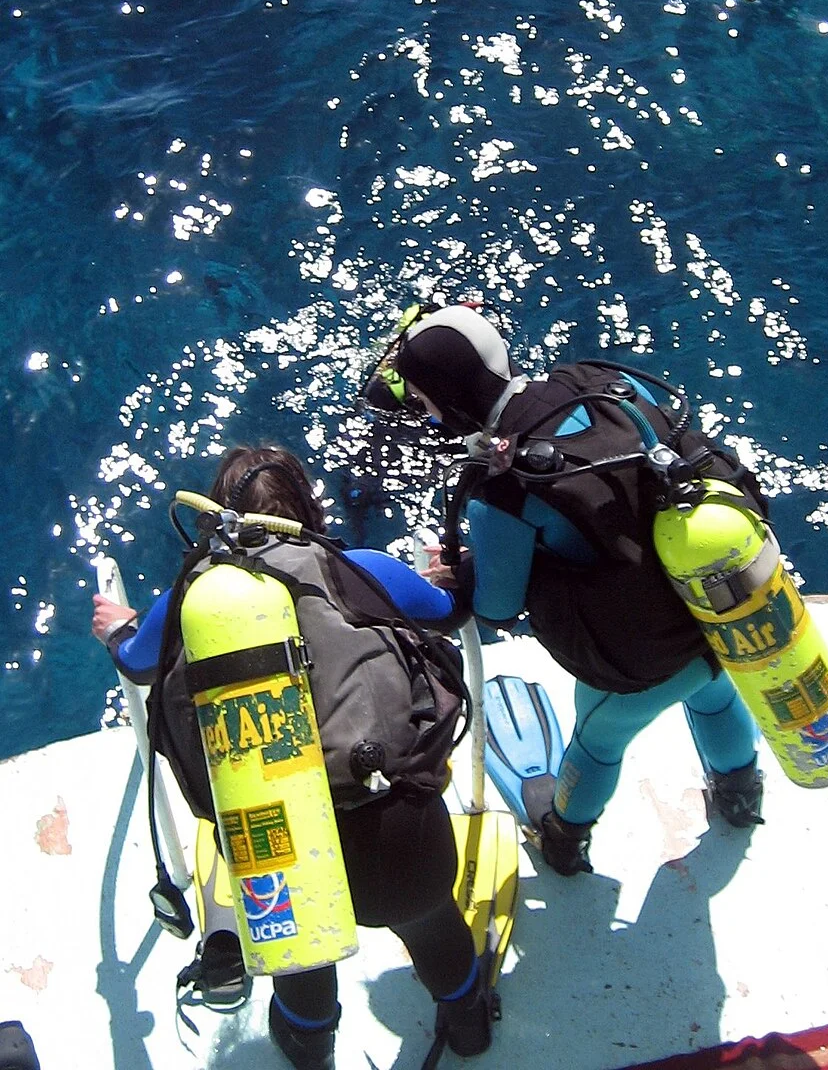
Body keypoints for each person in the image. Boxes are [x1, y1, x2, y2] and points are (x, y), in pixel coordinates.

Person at [92, 445, 495, 1070]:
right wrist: (448, 576)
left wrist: (119, 626)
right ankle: (468, 1025)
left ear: (215, 518)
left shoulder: (191, 598)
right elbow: (448, 613)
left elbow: (138, 662)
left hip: (270, 829)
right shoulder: (357, 568)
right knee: (432, 925)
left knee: (300, 961)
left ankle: (309, 1045)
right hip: (389, 814)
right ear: (305, 507)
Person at [364, 304, 768, 878]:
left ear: (451, 405)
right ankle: (740, 792)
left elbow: (499, 607)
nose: (425, 415)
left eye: (427, 404)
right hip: (714, 606)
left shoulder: (502, 491)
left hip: (642, 658)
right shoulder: (593, 383)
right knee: (717, 698)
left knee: (598, 741)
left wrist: (471, 569)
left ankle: (564, 838)